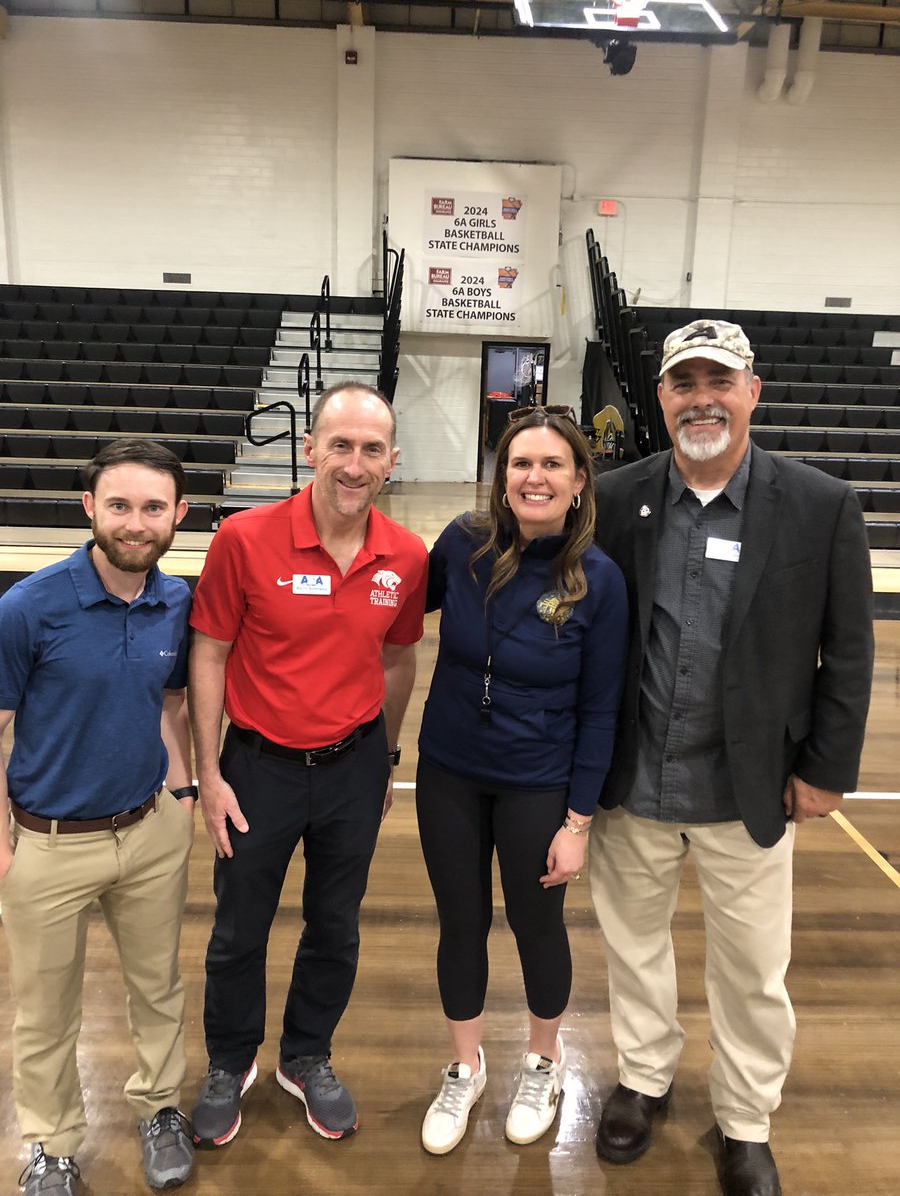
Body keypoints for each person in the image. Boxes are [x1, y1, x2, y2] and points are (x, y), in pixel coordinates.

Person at [590, 320, 874, 1196]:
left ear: (754, 391)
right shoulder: (616, 496)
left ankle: (746, 1120)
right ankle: (644, 1079)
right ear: (663, 399)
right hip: (634, 780)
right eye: (683, 383)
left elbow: (849, 649)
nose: (701, 397)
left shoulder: (820, 505)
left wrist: (826, 768)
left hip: (750, 787)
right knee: (633, 948)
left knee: (753, 971)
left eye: (720, 379)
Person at [188, 382, 427, 1147]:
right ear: (309, 449)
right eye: (340, 446)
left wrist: (383, 759)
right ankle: (229, 1061)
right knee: (239, 929)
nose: (353, 465)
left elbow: (398, 663)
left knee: (335, 926)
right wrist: (210, 773)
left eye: (370, 450)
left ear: (391, 461)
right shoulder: (245, 538)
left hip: (353, 767)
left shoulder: (406, 555)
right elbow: (211, 652)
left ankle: (306, 1055)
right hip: (257, 768)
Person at [416, 405, 629, 1155]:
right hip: (448, 772)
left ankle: (545, 1061)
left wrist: (577, 824)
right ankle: (464, 1066)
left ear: (578, 482)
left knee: (537, 926)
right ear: (501, 479)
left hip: (538, 781)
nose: (534, 476)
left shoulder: (597, 580)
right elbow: (390, 618)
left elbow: (602, 709)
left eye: (551, 465)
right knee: (460, 923)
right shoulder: (463, 544)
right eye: (520, 464)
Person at [0, 439, 196, 1196]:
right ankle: (50, 1146)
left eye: (154, 507)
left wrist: (179, 797)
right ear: (90, 508)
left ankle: (159, 1109)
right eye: (120, 505)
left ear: (178, 515)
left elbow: (172, 704)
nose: (136, 522)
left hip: (149, 831)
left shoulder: (175, 600)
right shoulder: (27, 608)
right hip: (47, 845)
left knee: (158, 988)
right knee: (45, 1010)